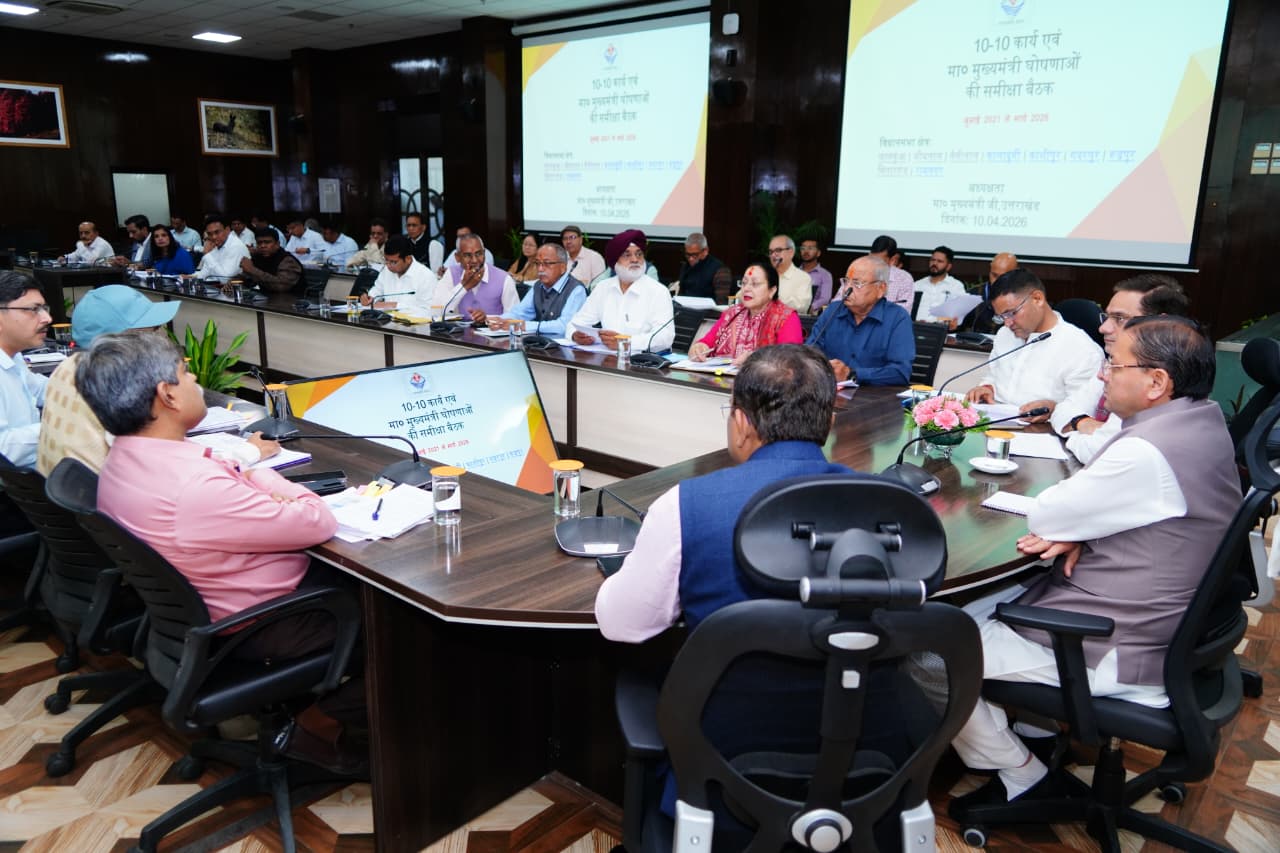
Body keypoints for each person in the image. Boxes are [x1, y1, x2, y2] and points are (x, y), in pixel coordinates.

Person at [933, 316, 1239, 815]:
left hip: (1117, 641)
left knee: (931, 643)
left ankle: (1021, 772)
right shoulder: (1203, 421)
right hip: (1163, 619)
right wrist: (1082, 527)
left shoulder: (1146, 451)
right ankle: (1037, 732)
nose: (1102, 375)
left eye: (1114, 364)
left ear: (1156, 382)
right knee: (975, 608)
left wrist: (1073, 526)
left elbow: (1048, 511)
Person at [78, 330, 366, 774]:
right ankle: (315, 727)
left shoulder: (125, 456)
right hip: (262, 622)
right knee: (402, 621)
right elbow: (317, 520)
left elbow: (223, 480)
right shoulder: (194, 485)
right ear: (167, 395)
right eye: (186, 373)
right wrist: (260, 474)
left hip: (203, 611)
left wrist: (243, 476)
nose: (195, 380)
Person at [36, 285, 180, 476]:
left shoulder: (67, 366)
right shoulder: (120, 380)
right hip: (104, 488)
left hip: (61, 486)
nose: (162, 335)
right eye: (154, 329)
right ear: (122, 339)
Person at [1051, 275, 1190, 463]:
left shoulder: (1151, 375)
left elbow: (1099, 451)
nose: (1103, 328)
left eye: (1120, 318)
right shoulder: (1115, 362)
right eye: (1107, 317)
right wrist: (1082, 422)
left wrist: (1075, 433)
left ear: (1159, 324)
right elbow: (1062, 411)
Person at [964, 269, 1102, 420]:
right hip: (994, 421)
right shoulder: (1004, 334)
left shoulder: (1082, 349)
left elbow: (1085, 411)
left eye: (1012, 313)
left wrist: (1053, 409)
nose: (1007, 323)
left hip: (1042, 429)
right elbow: (993, 376)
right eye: (1001, 317)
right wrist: (987, 388)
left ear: (1037, 299)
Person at [805, 255, 915, 385]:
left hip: (874, 395)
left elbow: (900, 372)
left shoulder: (897, 318)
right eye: (846, 281)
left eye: (857, 283)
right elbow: (809, 353)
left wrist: (851, 374)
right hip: (829, 391)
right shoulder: (833, 311)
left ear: (881, 288)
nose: (847, 289)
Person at [569, 229, 675, 353]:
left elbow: (665, 337)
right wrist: (575, 335)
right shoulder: (603, 287)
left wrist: (626, 342)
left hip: (644, 361)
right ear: (615, 261)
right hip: (607, 358)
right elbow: (575, 323)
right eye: (627, 255)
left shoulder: (658, 291)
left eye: (639, 254)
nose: (635, 259)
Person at [688, 262, 802, 364]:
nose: (746, 288)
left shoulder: (786, 318)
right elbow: (706, 342)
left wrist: (756, 359)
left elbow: (790, 360)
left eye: (755, 284)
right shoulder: (732, 314)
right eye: (744, 283)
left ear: (772, 290)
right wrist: (699, 348)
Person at [0, 273, 51, 471]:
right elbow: (3, 450)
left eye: (44, 308)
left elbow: (40, 389)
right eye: (33, 310)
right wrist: (63, 426)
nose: (47, 318)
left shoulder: (13, 356)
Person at [493, 243, 587, 336]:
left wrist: (525, 326)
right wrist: (500, 320)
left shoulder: (576, 290)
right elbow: (520, 313)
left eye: (547, 263)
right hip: (539, 343)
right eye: (538, 263)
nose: (540, 269)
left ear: (562, 267)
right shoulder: (538, 285)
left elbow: (564, 326)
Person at [429, 234, 518, 325]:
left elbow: (516, 319)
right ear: (457, 257)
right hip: (458, 333)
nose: (474, 260)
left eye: (479, 254)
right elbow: (435, 312)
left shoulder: (504, 279)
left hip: (494, 333)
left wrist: (488, 319)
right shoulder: (451, 274)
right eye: (468, 255)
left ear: (484, 253)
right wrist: (464, 286)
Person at [361, 235, 437, 313]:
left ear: (408, 259)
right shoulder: (387, 271)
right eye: (386, 260)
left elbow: (428, 310)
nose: (388, 265)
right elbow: (377, 290)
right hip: (385, 319)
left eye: (393, 262)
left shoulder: (426, 277)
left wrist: (396, 305)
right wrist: (369, 298)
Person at [913, 245, 966, 326]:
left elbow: (960, 313)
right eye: (932, 260)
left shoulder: (956, 286)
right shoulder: (917, 285)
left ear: (948, 266)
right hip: (917, 327)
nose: (934, 263)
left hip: (942, 329)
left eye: (940, 261)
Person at [239, 228, 304, 293]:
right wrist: (235, 280)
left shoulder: (288, 261)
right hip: (266, 297)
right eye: (259, 243)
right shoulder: (258, 257)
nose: (263, 246)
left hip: (291, 297)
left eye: (267, 242)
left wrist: (252, 270)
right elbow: (245, 277)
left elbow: (281, 286)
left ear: (277, 244)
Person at [967, 251, 1018, 333]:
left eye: (1002, 276)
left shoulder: (1024, 296)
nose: (996, 281)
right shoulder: (974, 294)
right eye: (994, 275)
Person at [676, 232, 732, 302]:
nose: (690, 259)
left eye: (695, 255)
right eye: (688, 254)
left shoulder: (721, 270)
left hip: (709, 308)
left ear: (705, 251)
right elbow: (681, 293)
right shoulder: (686, 266)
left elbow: (721, 302)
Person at [195, 214, 251, 280]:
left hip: (237, 286)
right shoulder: (216, 245)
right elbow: (205, 273)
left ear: (227, 230)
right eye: (209, 234)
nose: (213, 237)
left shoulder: (236, 246)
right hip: (215, 285)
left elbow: (225, 279)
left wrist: (207, 254)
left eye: (217, 232)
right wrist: (188, 277)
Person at [767, 235, 813, 314]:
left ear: (791, 252)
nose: (773, 255)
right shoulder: (764, 275)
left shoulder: (803, 278)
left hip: (787, 320)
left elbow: (802, 307)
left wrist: (771, 297)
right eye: (771, 252)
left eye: (778, 250)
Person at [867, 235, 914, 310]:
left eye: (879, 260)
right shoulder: (858, 272)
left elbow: (903, 311)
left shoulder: (904, 278)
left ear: (892, 260)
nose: (874, 263)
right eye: (872, 258)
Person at [799, 238, 835, 311]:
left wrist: (810, 307)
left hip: (812, 314)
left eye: (810, 248)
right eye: (803, 248)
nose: (806, 251)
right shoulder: (793, 273)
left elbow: (825, 299)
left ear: (818, 253)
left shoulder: (825, 275)